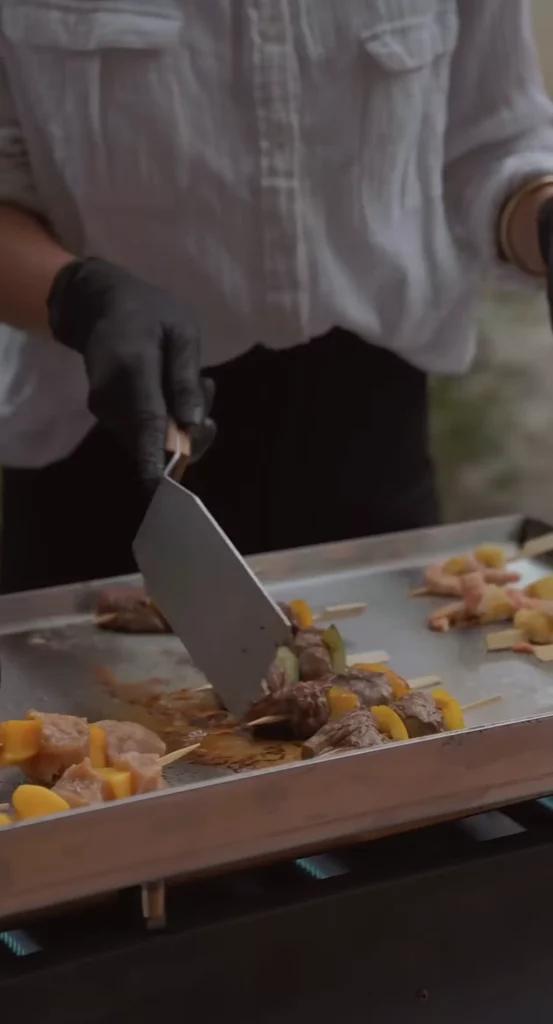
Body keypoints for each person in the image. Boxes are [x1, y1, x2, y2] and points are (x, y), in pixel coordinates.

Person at [1, 0, 553, 592]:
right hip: (107, 434)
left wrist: (542, 217)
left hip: (367, 435)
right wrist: (79, 298)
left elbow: (489, 145)